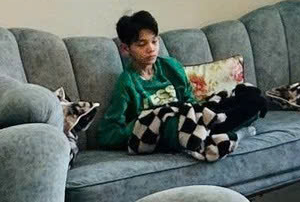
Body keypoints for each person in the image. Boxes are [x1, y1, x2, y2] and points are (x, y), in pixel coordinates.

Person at [90, 10, 266, 162]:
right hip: (166, 132)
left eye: (154, 41)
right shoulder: (127, 83)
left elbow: (191, 103)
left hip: (192, 122)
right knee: (171, 119)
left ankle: (220, 128)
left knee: (251, 97)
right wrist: (139, 124)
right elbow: (107, 134)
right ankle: (233, 129)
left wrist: (197, 112)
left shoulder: (171, 67)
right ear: (125, 49)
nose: (151, 49)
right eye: (141, 44)